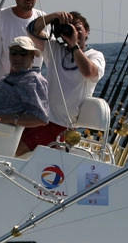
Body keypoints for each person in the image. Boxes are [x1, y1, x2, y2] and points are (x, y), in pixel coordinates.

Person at [23, 10, 106, 150]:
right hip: (40, 119)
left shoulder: (95, 55)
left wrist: (74, 45)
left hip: (60, 125)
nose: (75, 32)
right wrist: (54, 17)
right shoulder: (55, 48)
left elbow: (88, 72)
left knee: (17, 151)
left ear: (87, 31)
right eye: (70, 28)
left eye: (78, 28)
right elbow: (31, 30)